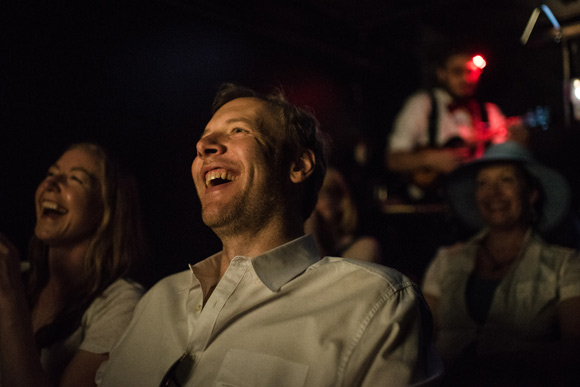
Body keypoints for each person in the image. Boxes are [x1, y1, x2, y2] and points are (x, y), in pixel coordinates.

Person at [97, 83, 443, 386]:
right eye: (204, 137)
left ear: (297, 165)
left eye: (238, 131)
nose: (205, 145)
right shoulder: (159, 300)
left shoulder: (374, 303)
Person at [421, 141, 580, 385]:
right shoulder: (447, 261)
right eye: (483, 183)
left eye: (506, 180)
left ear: (531, 194)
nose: (493, 192)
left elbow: (574, 349)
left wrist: (499, 366)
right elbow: (421, 339)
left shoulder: (565, 265)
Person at [0, 142, 147, 387]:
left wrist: (7, 299)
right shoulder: (20, 276)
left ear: (107, 209)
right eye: (50, 174)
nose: (51, 184)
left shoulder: (121, 303)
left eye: (75, 179)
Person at [385, 45, 528, 202]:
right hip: (429, 201)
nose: (466, 79)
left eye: (471, 72)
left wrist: (519, 142)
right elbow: (392, 160)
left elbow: (506, 159)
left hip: (474, 201)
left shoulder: (489, 112)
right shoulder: (423, 104)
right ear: (441, 74)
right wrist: (429, 159)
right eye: (457, 72)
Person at [305, 167, 382, 263]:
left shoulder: (365, 246)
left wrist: (312, 235)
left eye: (320, 196)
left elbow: (321, 275)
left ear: (339, 202)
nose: (311, 207)